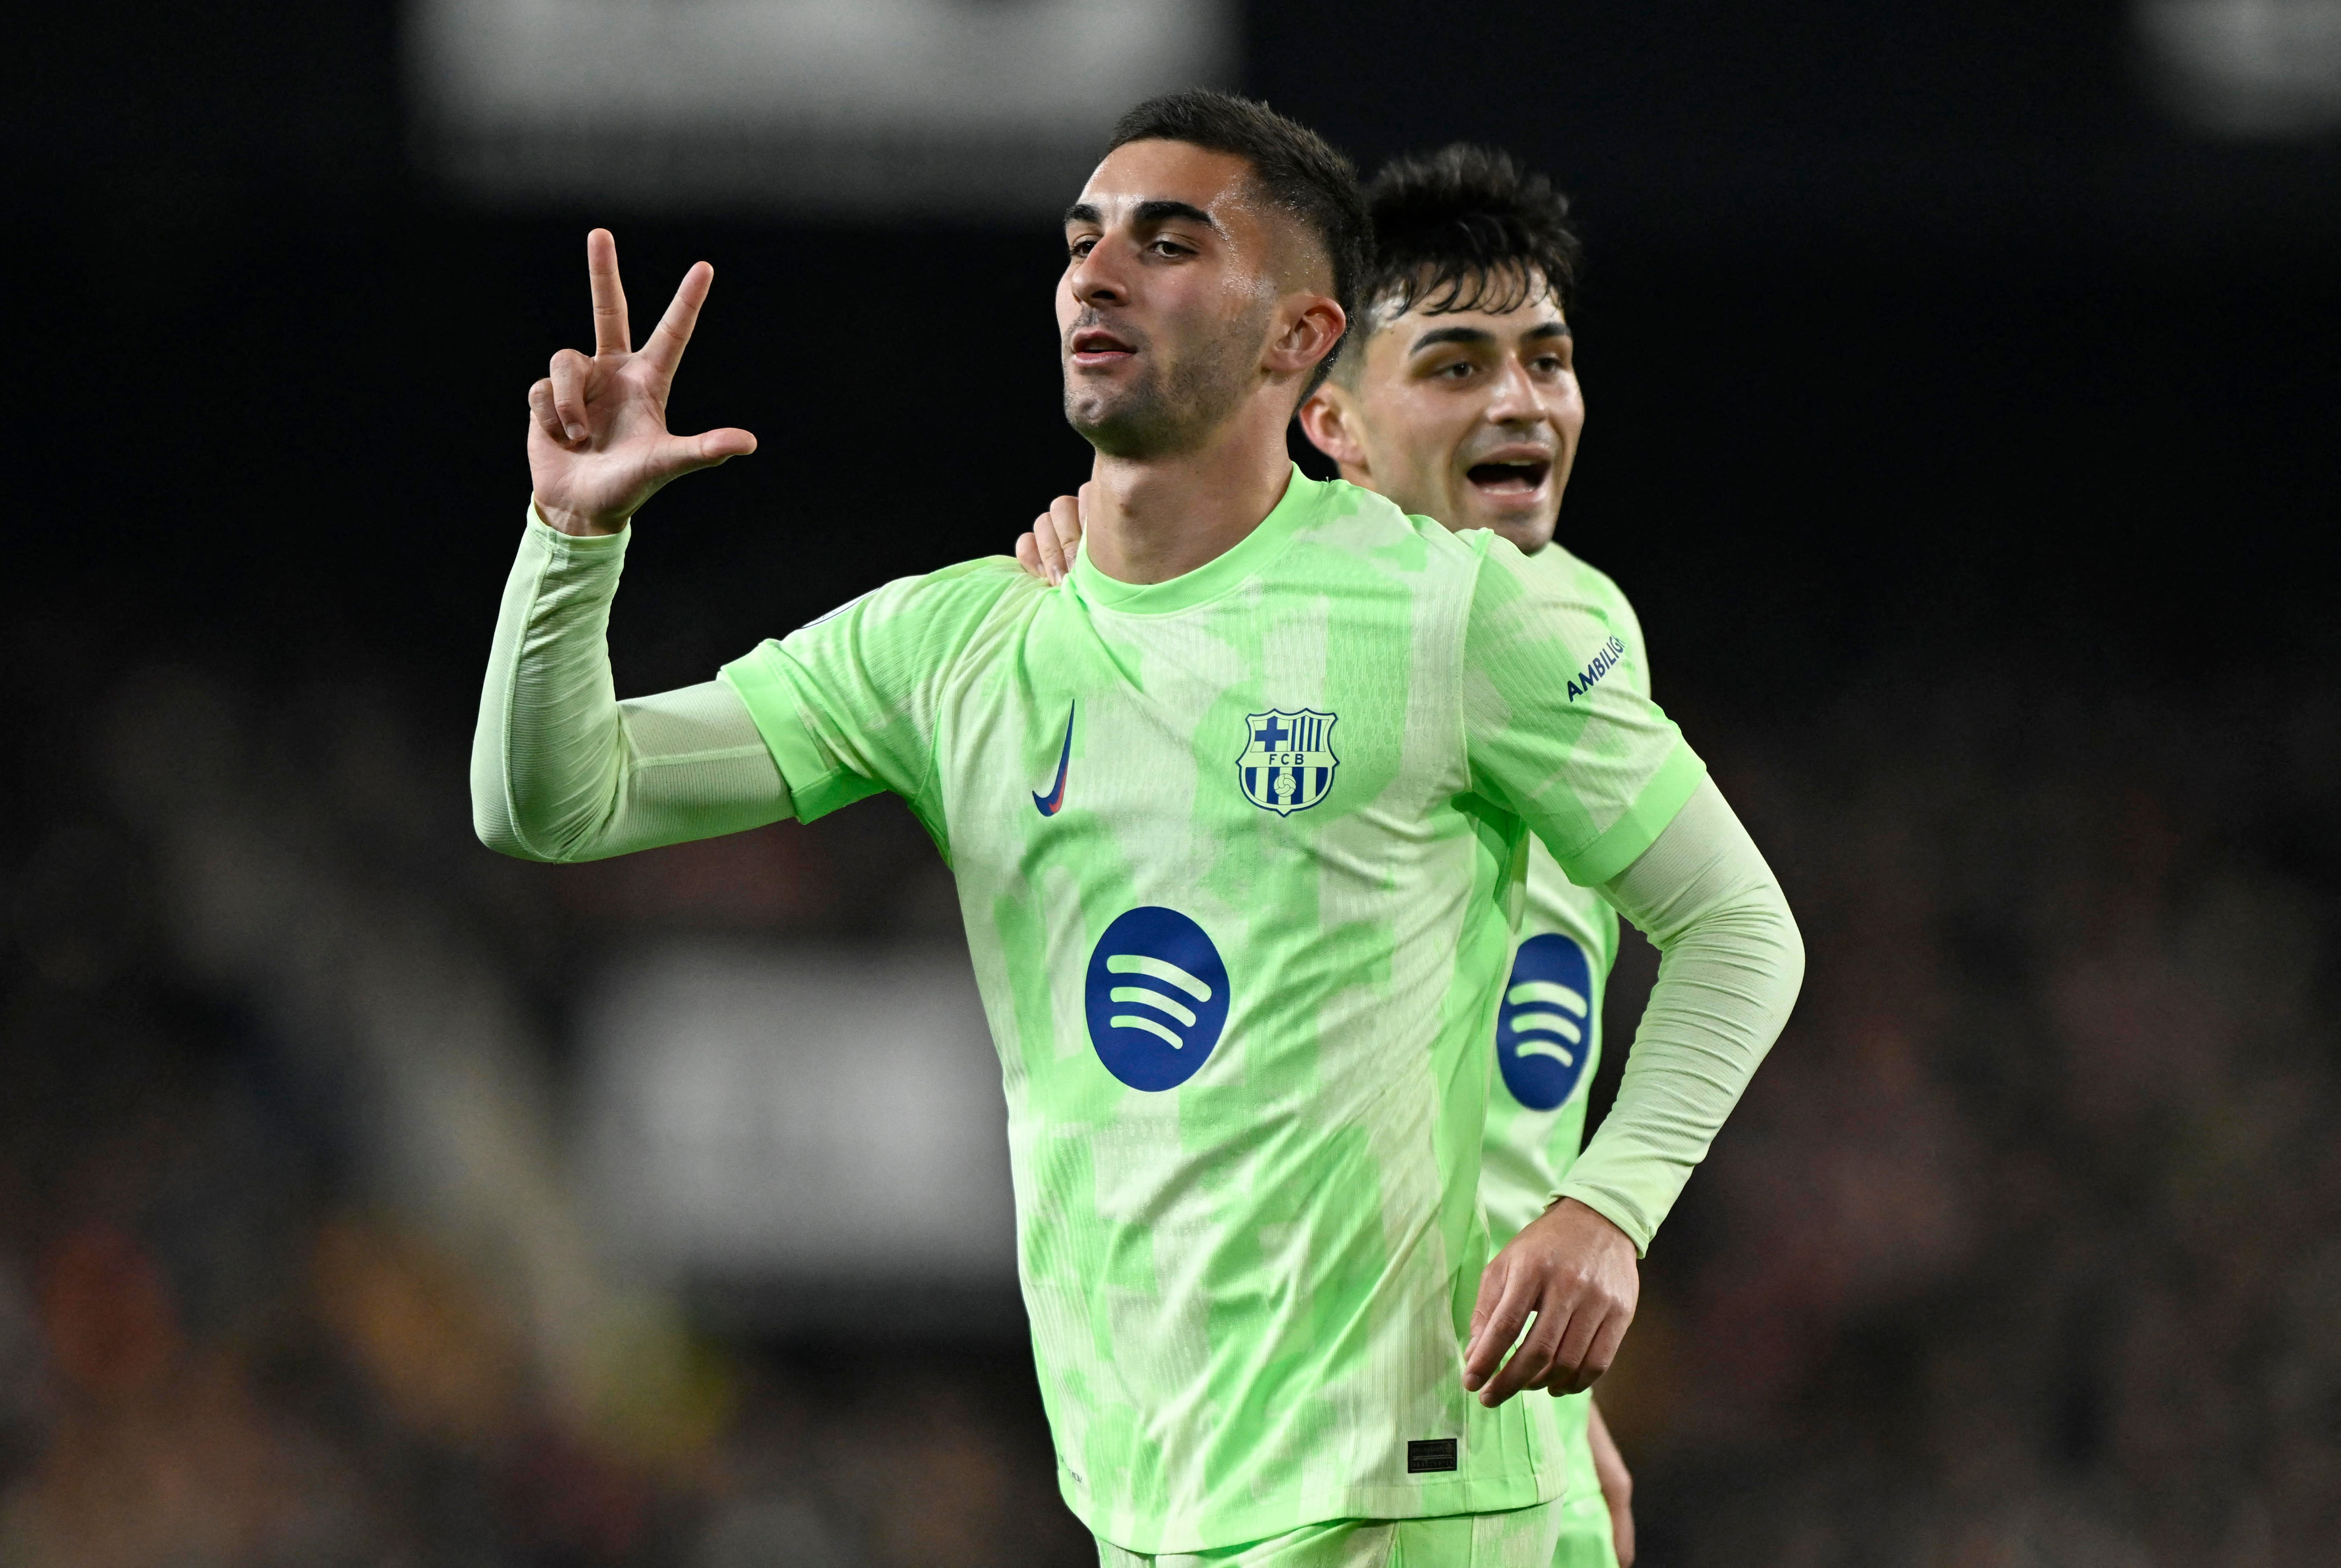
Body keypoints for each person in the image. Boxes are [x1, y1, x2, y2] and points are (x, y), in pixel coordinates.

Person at [472, 88, 1803, 1567]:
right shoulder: (958, 641)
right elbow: (555, 801)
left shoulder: (1454, 616)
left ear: (1301, 338)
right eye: (1082, 241)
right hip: (1144, 1508)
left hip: (1406, 1501)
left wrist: (1605, 1213)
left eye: (1168, 244)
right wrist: (570, 543)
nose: (1097, 275)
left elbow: (1738, 926)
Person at [1017, 145, 1651, 1567]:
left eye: (1546, 361)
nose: (1518, 402)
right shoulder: (1260, 640)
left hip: (1497, 1437)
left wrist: (1577, 1398)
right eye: (1454, 366)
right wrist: (1102, 588)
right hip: (1293, 1455)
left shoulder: (1586, 619)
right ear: (1331, 423)